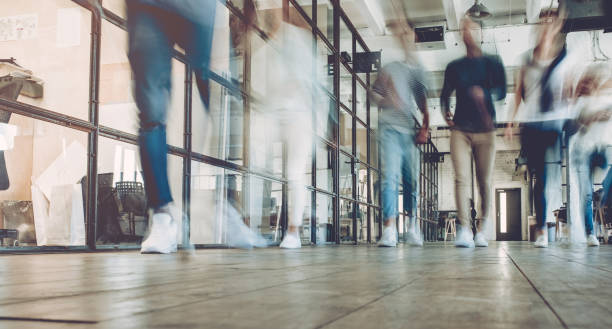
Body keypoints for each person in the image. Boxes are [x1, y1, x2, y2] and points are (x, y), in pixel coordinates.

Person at [127, 0, 261, 253]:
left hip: (199, 10)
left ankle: (224, 206)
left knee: (220, 97)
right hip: (146, 7)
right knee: (151, 111)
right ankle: (163, 216)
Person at [504, 9, 573, 248]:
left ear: (556, 28)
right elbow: (518, 94)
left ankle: (544, 225)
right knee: (539, 178)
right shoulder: (525, 59)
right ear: (537, 27)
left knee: (548, 176)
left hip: (553, 124)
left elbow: (569, 91)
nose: (546, 26)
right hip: (532, 124)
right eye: (542, 22)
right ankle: (542, 229)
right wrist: (511, 122)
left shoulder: (563, 59)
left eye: (551, 22)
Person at [441, 17, 506, 248]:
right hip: (460, 129)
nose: (467, 32)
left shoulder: (493, 62)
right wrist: (444, 111)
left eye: (472, 28)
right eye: (464, 28)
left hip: (486, 130)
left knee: (484, 181)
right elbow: (445, 93)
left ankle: (482, 228)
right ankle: (465, 230)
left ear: (481, 34)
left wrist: (484, 95)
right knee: (461, 178)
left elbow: (501, 92)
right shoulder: (454, 66)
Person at [371, 19, 429, 248]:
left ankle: (413, 226)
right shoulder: (389, 68)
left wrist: (425, 126)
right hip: (388, 130)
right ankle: (389, 229)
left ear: (413, 37)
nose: (404, 36)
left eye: (408, 33)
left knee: (412, 183)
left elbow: (423, 100)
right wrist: (387, 98)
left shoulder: (418, 70)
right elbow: (373, 95)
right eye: (402, 33)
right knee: (389, 178)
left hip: (409, 133)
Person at [569, 63, 612, 246]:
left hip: (601, 150)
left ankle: (603, 202)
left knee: (605, 187)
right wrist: (593, 117)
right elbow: (579, 123)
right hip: (582, 152)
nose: (595, 83)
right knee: (586, 195)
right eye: (592, 80)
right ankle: (590, 233)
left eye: (598, 80)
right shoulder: (581, 102)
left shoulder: (606, 99)